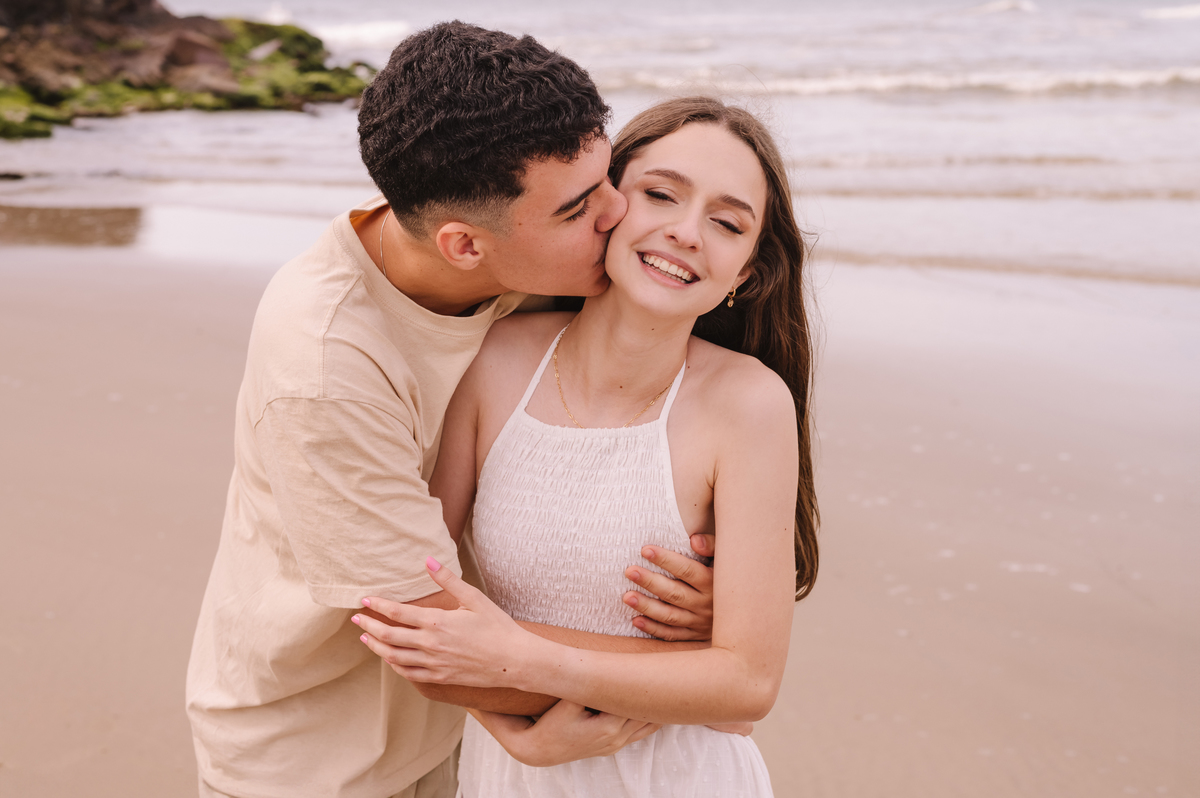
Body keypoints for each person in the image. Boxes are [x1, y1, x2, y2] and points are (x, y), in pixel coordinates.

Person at [185, 24, 719, 798]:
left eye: (611, 178)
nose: (620, 214)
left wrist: (713, 590)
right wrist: (717, 672)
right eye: (579, 208)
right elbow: (429, 638)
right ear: (463, 246)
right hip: (324, 760)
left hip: (470, 734)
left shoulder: (529, 253)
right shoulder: (327, 366)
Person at [355, 96, 820, 797]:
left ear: (748, 273)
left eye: (727, 223)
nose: (687, 232)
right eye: (660, 194)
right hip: (513, 776)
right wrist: (525, 709)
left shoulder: (749, 406)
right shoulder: (497, 361)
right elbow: (412, 607)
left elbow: (748, 686)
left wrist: (524, 658)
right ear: (604, 205)